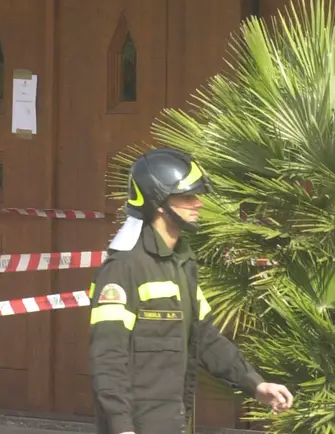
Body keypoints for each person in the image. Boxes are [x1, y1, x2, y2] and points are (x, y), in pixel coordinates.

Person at [88, 147, 293, 434]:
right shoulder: (124, 268)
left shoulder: (182, 263)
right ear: (159, 202)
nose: (198, 203)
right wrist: (121, 427)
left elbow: (206, 338)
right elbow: (108, 358)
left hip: (175, 421)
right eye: (187, 197)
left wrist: (256, 384)